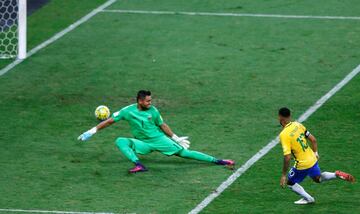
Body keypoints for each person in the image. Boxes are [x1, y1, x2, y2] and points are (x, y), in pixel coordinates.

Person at [78, 90, 235, 173]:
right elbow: (110, 121)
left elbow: (162, 125)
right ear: (139, 101)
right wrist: (92, 131)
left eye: (150, 100)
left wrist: (175, 137)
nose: (150, 102)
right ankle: (139, 165)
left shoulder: (153, 111)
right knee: (120, 141)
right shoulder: (127, 111)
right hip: (143, 143)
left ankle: (219, 161)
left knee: (184, 154)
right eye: (147, 100)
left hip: (159, 140)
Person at [278, 107, 355, 204]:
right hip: (312, 158)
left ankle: (309, 199)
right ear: (289, 116)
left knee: (290, 183)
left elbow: (287, 157)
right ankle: (336, 175)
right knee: (318, 179)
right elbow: (313, 140)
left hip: (302, 164)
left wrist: (284, 175)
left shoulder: (284, 135)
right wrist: (316, 153)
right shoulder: (298, 125)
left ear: (281, 118)